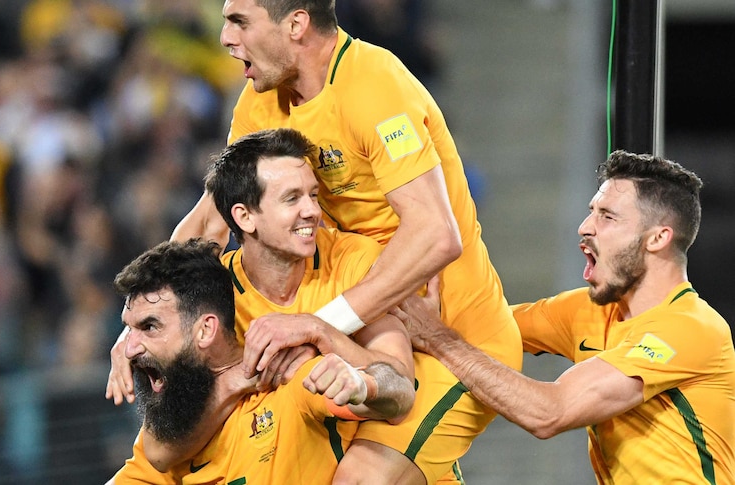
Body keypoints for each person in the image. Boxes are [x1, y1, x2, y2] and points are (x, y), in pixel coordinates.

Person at [107, 0, 523, 480]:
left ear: (296, 24)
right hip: (363, 328)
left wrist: (317, 326)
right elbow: (209, 222)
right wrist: (144, 324)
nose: (223, 37)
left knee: (356, 476)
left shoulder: (374, 86)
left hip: (453, 340)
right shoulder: (260, 100)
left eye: (240, 21)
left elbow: (435, 235)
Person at [113, 128, 476, 484]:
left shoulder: (353, 262)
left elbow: (398, 384)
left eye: (313, 195)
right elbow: (160, 450)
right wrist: (239, 378)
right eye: (292, 199)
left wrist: (319, 332)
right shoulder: (212, 294)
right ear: (244, 217)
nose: (312, 212)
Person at [393, 150, 735, 484]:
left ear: (658, 238)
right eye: (591, 212)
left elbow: (549, 413)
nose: (585, 227)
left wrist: (437, 337)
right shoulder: (588, 310)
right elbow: (483, 328)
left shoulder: (691, 328)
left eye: (607, 216)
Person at [107, 238, 414, 485]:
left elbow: (399, 391)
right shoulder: (178, 421)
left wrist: (362, 384)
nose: (128, 348)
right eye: (128, 329)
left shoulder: (289, 377)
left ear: (205, 330)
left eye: (149, 327)